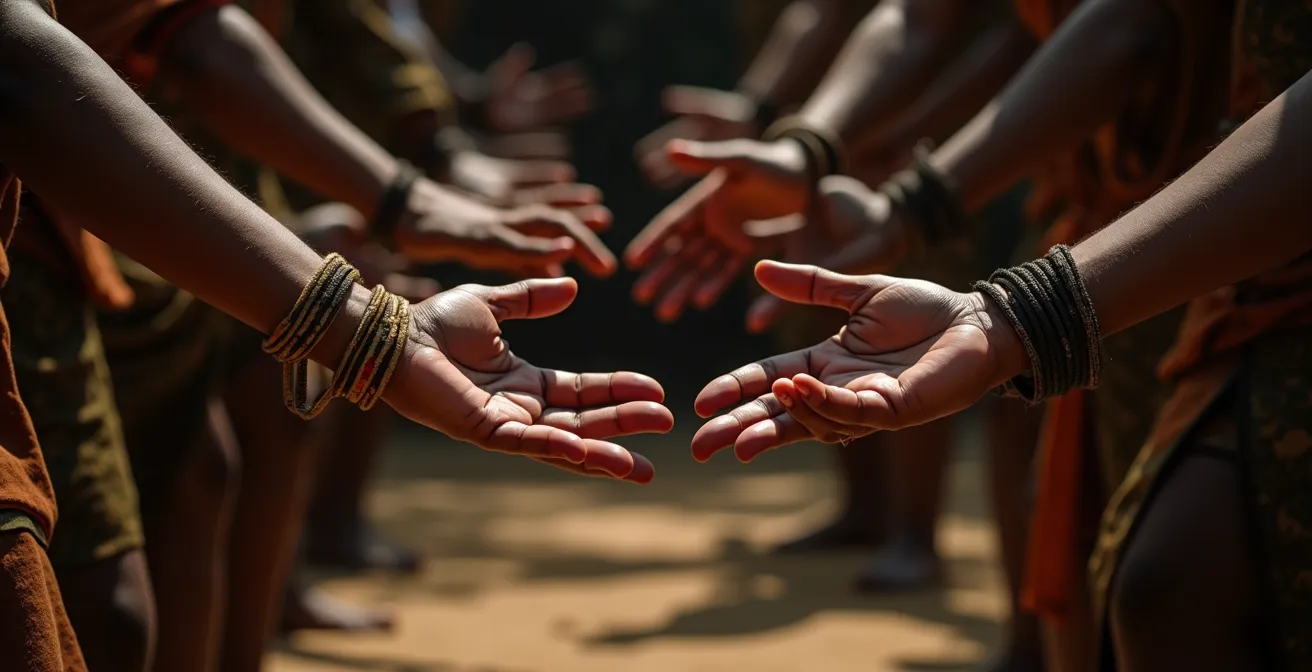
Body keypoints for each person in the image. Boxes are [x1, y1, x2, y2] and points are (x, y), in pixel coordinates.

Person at [0, 2, 670, 670]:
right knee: (88, 595)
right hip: (65, 240)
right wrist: (380, 267)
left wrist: (393, 232)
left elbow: (183, 29)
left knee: (178, 509)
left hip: (127, 220)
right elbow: (25, 71)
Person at [696, 60, 1312, 670]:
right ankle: (1028, 650)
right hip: (1142, 226)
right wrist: (888, 203)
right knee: (1134, 562)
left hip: (1235, 249)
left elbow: (1126, 31)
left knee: (1169, 578)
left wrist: (1002, 303)